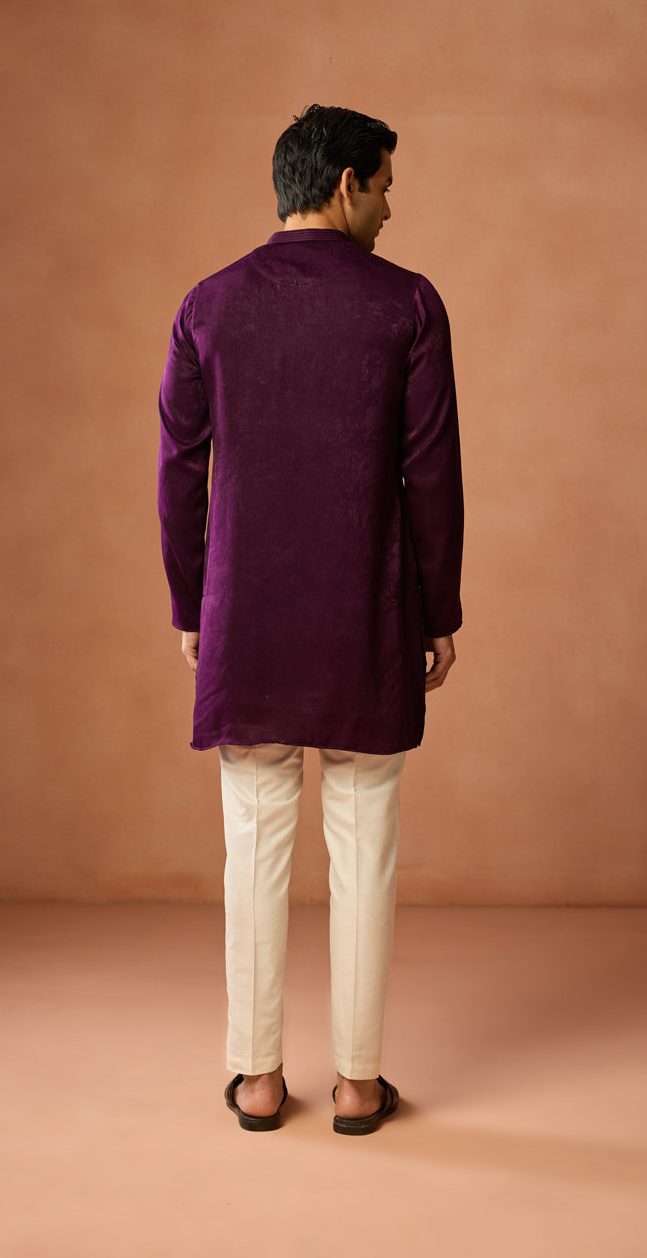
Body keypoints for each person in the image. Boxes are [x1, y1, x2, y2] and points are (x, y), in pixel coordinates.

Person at [157, 104, 463, 1135]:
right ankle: (359, 1083)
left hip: (245, 615)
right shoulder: (407, 303)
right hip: (366, 610)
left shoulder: (208, 304)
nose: (389, 208)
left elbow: (179, 469)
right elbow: (430, 473)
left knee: (252, 839)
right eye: (384, 186)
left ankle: (254, 1077)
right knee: (364, 841)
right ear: (344, 184)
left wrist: (190, 599)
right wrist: (437, 606)